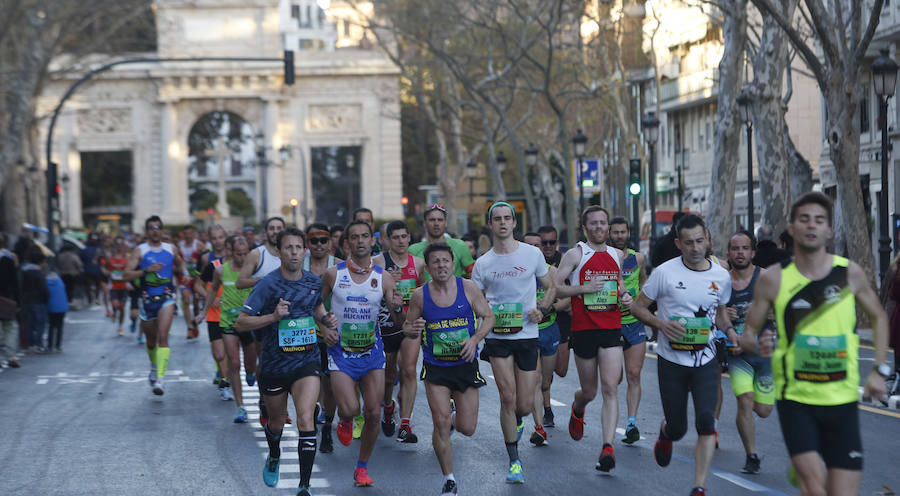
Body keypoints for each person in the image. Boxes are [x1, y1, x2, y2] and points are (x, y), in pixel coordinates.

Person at [739, 192, 889, 496]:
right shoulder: (774, 280)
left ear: (829, 230)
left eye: (819, 220)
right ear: (792, 228)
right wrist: (760, 345)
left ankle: (803, 469)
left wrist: (879, 370)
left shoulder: (850, 274)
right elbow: (747, 335)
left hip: (842, 399)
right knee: (816, 487)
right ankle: (805, 468)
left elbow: (879, 318)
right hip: (796, 398)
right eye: (804, 219)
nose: (811, 226)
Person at [630, 214, 734, 496]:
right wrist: (661, 324)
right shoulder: (665, 273)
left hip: (706, 359)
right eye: (688, 242)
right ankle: (666, 434)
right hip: (672, 361)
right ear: (678, 243)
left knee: (705, 421)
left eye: (700, 241)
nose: (695, 247)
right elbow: (638, 308)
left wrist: (731, 331)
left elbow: (722, 313)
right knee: (678, 427)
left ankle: (699, 486)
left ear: (708, 239)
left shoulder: (721, 275)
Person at [235, 227, 337, 496]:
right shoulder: (267, 284)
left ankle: (304, 486)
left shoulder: (314, 282)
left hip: (306, 360)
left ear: (305, 251)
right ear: (279, 252)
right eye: (288, 248)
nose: (294, 252)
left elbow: (316, 308)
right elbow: (241, 322)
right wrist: (272, 317)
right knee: (276, 422)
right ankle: (274, 454)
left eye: (298, 248)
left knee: (305, 418)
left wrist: (327, 321)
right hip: (274, 365)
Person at [471, 202, 556, 484]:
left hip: (527, 335)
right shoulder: (483, 264)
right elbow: (476, 299)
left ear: (514, 223)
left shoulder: (532, 254)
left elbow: (550, 285)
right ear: (491, 224)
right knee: (507, 398)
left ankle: (519, 419)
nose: (503, 223)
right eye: (498, 219)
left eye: (508, 218)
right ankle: (514, 461)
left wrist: (542, 308)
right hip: (498, 338)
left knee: (523, 403)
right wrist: (485, 315)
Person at [404, 242, 495, 496]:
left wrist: (475, 339)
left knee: (467, 428)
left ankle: (454, 419)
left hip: (465, 366)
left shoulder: (468, 288)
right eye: (436, 262)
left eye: (445, 260)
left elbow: (489, 317)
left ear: (452, 262)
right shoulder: (420, 295)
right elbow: (408, 327)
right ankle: (449, 479)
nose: (441, 265)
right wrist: (412, 329)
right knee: (440, 422)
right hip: (436, 368)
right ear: (429, 267)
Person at [320, 220, 402, 486]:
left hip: (372, 353)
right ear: (347, 244)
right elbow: (315, 305)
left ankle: (362, 467)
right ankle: (344, 418)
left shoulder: (384, 278)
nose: (360, 241)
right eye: (354, 237)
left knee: (374, 414)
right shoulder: (334, 274)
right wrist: (324, 327)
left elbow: (397, 320)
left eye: (365, 236)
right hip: (341, 352)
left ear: (372, 241)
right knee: (351, 408)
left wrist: (399, 308)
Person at [552, 206, 632, 473]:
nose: (599, 227)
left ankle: (607, 447)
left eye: (603, 223)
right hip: (584, 329)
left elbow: (618, 284)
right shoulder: (576, 254)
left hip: (611, 327)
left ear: (608, 227)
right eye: (594, 224)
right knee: (590, 391)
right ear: (585, 228)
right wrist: (583, 289)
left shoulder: (616, 255)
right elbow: (556, 286)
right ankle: (578, 406)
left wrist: (625, 296)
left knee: (611, 388)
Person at [373, 220, 426, 442]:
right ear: (387, 240)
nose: (401, 241)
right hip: (385, 325)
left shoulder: (419, 263)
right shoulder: (377, 262)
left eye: (404, 236)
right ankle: (387, 405)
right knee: (389, 375)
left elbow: (422, 291)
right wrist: (385, 283)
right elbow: (367, 290)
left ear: (409, 238)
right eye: (396, 237)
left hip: (409, 324)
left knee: (408, 370)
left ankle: (405, 423)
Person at [196, 234, 258, 422]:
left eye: (245, 253)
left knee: (249, 363)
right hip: (228, 322)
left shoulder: (254, 270)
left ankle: (250, 372)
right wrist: (203, 311)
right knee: (234, 362)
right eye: (238, 253)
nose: (241, 257)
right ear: (231, 252)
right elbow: (212, 290)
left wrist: (254, 301)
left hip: (248, 321)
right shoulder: (221, 271)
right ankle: (241, 407)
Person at [123, 215, 187, 396]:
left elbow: (181, 264)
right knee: (151, 342)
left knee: (162, 336)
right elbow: (125, 275)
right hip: (146, 300)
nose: (155, 230)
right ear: (146, 232)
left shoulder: (170, 249)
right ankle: (153, 366)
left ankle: (160, 378)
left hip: (167, 298)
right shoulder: (140, 251)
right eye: (151, 227)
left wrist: (186, 274)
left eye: (158, 227)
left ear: (162, 230)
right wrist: (145, 270)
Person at [238, 216, 287, 425]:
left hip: (286, 317)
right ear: (266, 232)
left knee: (287, 361)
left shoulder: (291, 252)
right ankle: (263, 399)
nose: (275, 231)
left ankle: (280, 407)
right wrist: (264, 281)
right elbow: (241, 282)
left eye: (279, 228)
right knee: (266, 360)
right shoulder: (257, 254)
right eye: (272, 228)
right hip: (262, 317)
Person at [522, 232, 568, 445]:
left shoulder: (552, 271)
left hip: (549, 330)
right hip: (526, 332)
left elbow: (567, 299)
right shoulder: (517, 272)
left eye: (537, 245)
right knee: (537, 379)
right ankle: (539, 427)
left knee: (546, 381)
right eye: (528, 245)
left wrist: (549, 308)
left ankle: (545, 407)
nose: (533, 249)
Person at [607, 217, 648, 444]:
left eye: (623, 232)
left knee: (634, 373)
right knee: (615, 378)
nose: (620, 236)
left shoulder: (638, 258)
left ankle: (631, 423)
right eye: (615, 232)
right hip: (611, 322)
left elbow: (643, 283)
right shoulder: (602, 258)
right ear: (609, 234)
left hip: (633, 321)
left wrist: (640, 306)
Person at [303, 223, 341, 451]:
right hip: (305, 331)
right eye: (314, 240)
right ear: (308, 243)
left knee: (330, 384)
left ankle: (327, 425)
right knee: (310, 379)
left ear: (330, 243)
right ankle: (315, 414)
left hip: (333, 333)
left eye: (323, 240)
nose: (319, 245)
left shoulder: (338, 266)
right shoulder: (300, 266)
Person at [196, 225, 232, 397]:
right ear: (210, 240)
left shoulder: (239, 260)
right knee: (219, 353)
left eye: (220, 237)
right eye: (214, 238)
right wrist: (211, 300)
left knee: (230, 352)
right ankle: (224, 378)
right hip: (214, 314)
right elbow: (198, 284)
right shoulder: (208, 261)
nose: (218, 241)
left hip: (233, 314)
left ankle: (228, 377)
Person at [538, 225, 574, 397]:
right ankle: (546, 408)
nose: (548, 246)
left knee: (561, 370)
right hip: (541, 321)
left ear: (557, 242)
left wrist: (554, 305)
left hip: (562, 319)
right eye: (544, 242)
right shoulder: (533, 263)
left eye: (551, 242)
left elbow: (573, 292)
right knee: (542, 373)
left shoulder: (565, 262)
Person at [409, 204, 476, 282]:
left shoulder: (460, 246)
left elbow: (474, 275)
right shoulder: (413, 250)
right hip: (424, 293)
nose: (436, 223)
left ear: (446, 223)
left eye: (440, 220)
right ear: (424, 223)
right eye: (432, 220)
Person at [178, 225, 205, 339]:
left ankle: (194, 323)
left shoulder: (198, 245)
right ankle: (189, 327)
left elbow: (206, 260)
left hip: (196, 277)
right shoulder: (179, 246)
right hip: (185, 277)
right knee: (186, 300)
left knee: (195, 303)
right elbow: (178, 261)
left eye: (190, 233)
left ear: (193, 234)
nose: (188, 236)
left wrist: (197, 261)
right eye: (186, 233)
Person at [22, 247, 49, 353]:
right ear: (40, 262)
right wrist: (47, 298)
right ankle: (39, 344)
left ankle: (31, 344)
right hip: (39, 300)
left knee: (30, 323)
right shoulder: (39, 273)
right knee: (40, 323)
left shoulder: (25, 271)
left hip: (27, 300)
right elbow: (44, 289)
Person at [0, 234, 21, 368]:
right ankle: (11, 357)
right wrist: (17, 302)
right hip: (7, 299)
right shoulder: (9, 259)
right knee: (10, 328)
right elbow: (15, 283)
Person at [105, 236, 131, 336]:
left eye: (121, 245)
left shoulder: (127, 257)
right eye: (118, 245)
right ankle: (114, 312)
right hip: (114, 286)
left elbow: (129, 270)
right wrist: (107, 272)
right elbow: (105, 268)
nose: (119, 247)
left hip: (124, 286)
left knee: (122, 307)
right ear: (115, 246)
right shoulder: (109, 257)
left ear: (124, 246)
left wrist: (128, 281)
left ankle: (120, 327)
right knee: (116, 305)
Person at [46, 268, 68, 353]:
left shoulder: (46, 283)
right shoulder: (60, 282)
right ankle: (58, 346)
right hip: (62, 307)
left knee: (51, 326)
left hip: (51, 307)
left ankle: (50, 346)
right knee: (59, 327)